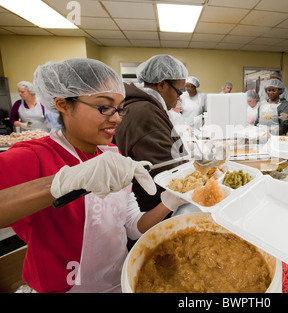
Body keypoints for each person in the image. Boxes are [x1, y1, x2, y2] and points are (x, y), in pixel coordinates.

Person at [0, 58, 185, 293]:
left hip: (118, 283)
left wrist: (169, 202)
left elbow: (131, 226)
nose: (117, 118)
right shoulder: (33, 156)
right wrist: (60, 183)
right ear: (63, 104)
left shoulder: (112, 155)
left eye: (120, 108)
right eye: (105, 107)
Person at [114, 54, 189, 212]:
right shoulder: (146, 112)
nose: (178, 99)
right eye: (179, 92)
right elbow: (166, 168)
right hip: (150, 204)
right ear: (162, 85)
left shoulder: (140, 105)